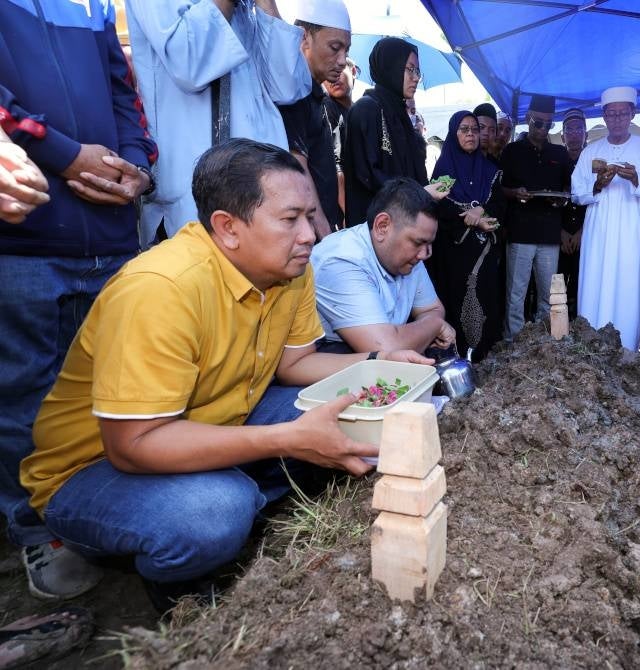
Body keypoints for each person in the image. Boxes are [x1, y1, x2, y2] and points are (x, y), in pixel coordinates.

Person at [20, 140, 431, 612]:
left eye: (311, 217)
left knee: (351, 410)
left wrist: (379, 361)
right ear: (228, 228)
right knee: (217, 510)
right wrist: (286, 439)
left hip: (212, 422)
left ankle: (243, 496)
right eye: (290, 219)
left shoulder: (291, 273)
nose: (310, 236)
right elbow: (132, 444)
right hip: (91, 471)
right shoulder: (160, 290)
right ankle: (176, 583)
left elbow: (295, 366)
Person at [1, 0, 157, 601]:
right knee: (23, 396)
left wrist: (139, 165)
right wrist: (65, 156)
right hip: (27, 236)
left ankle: (103, 511)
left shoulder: (95, 6)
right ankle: (36, 528)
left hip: (115, 235)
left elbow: (127, 96)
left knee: (117, 387)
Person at [125, 0, 311, 245]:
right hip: (193, 198)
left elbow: (287, 87)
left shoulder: (247, 8)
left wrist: (267, 5)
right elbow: (192, 63)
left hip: (262, 192)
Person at [311, 177, 456, 355]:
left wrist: (411, 333)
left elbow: (433, 309)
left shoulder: (408, 257)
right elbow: (385, 350)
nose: (426, 254)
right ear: (382, 226)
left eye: (429, 244)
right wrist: (434, 325)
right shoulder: (341, 260)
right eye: (419, 242)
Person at [571, 86, 640, 351]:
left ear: (632, 114)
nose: (617, 119)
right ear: (604, 116)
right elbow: (576, 192)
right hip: (598, 231)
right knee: (593, 284)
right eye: (611, 114)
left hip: (630, 231)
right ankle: (589, 348)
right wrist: (597, 185)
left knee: (628, 287)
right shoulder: (591, 150)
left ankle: (626, 352)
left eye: (622, 114)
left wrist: (637, 178)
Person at [429, 112, 507, 360]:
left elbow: (500, 205)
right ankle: (460, 357)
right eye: (464, 130)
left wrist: (482, 213)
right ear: (454, 133)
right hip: (455, 253)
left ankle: (485, 357)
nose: (471, 134)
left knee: (487, 303)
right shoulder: (443, 171)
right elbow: (439, 209)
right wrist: (469, 218)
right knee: (457, 303)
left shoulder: (491, 170)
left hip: (484, 253)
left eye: (474, 129)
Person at [343, 38, 440, 227]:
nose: (416, 77)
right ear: (391, 67)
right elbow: (368, 175)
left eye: (417, 70)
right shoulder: (367, 110)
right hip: (375, 232)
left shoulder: (400, 116)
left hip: (404, 229)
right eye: (410, 69)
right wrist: (418, 193)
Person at [277, 0, 352, 237]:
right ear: (303, 38)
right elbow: (297, 162)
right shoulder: (295, 94)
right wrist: (322, 230)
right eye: (334, 47)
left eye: (346, 51)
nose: (342, 60)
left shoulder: (317, 94)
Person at [500, 94, 571, 340]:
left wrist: (560, 198)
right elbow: (500, 189)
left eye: (548, 124)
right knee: (516, 293)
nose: (542, 128)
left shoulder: (560, 154)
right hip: (520, 231)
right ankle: (512, 342)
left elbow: (568, 191)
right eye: (538, 122)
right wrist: (515, 193)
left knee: (548, 294)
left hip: (550, 232)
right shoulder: (512, 151)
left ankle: (543, 343)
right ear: (528, 119)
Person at [559, 108, 589, 320]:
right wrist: (560, 232)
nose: (574, 133)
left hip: (585, 234)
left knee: (583, 285)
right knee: (557, 286)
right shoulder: (555, 162)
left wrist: (581, 232)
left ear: (586, 134)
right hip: (558, 235)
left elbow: (597, 201)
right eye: (570, 129)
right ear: (562, 135)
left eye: (579, 129)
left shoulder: (593, 163)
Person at [323, 56, 359, 221]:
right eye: (327, 74)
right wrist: (349, 215)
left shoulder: (357, 112)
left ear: (352, 71)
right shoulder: (328, 108)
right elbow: (336, 166)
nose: (333, 78)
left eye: (339, 70)